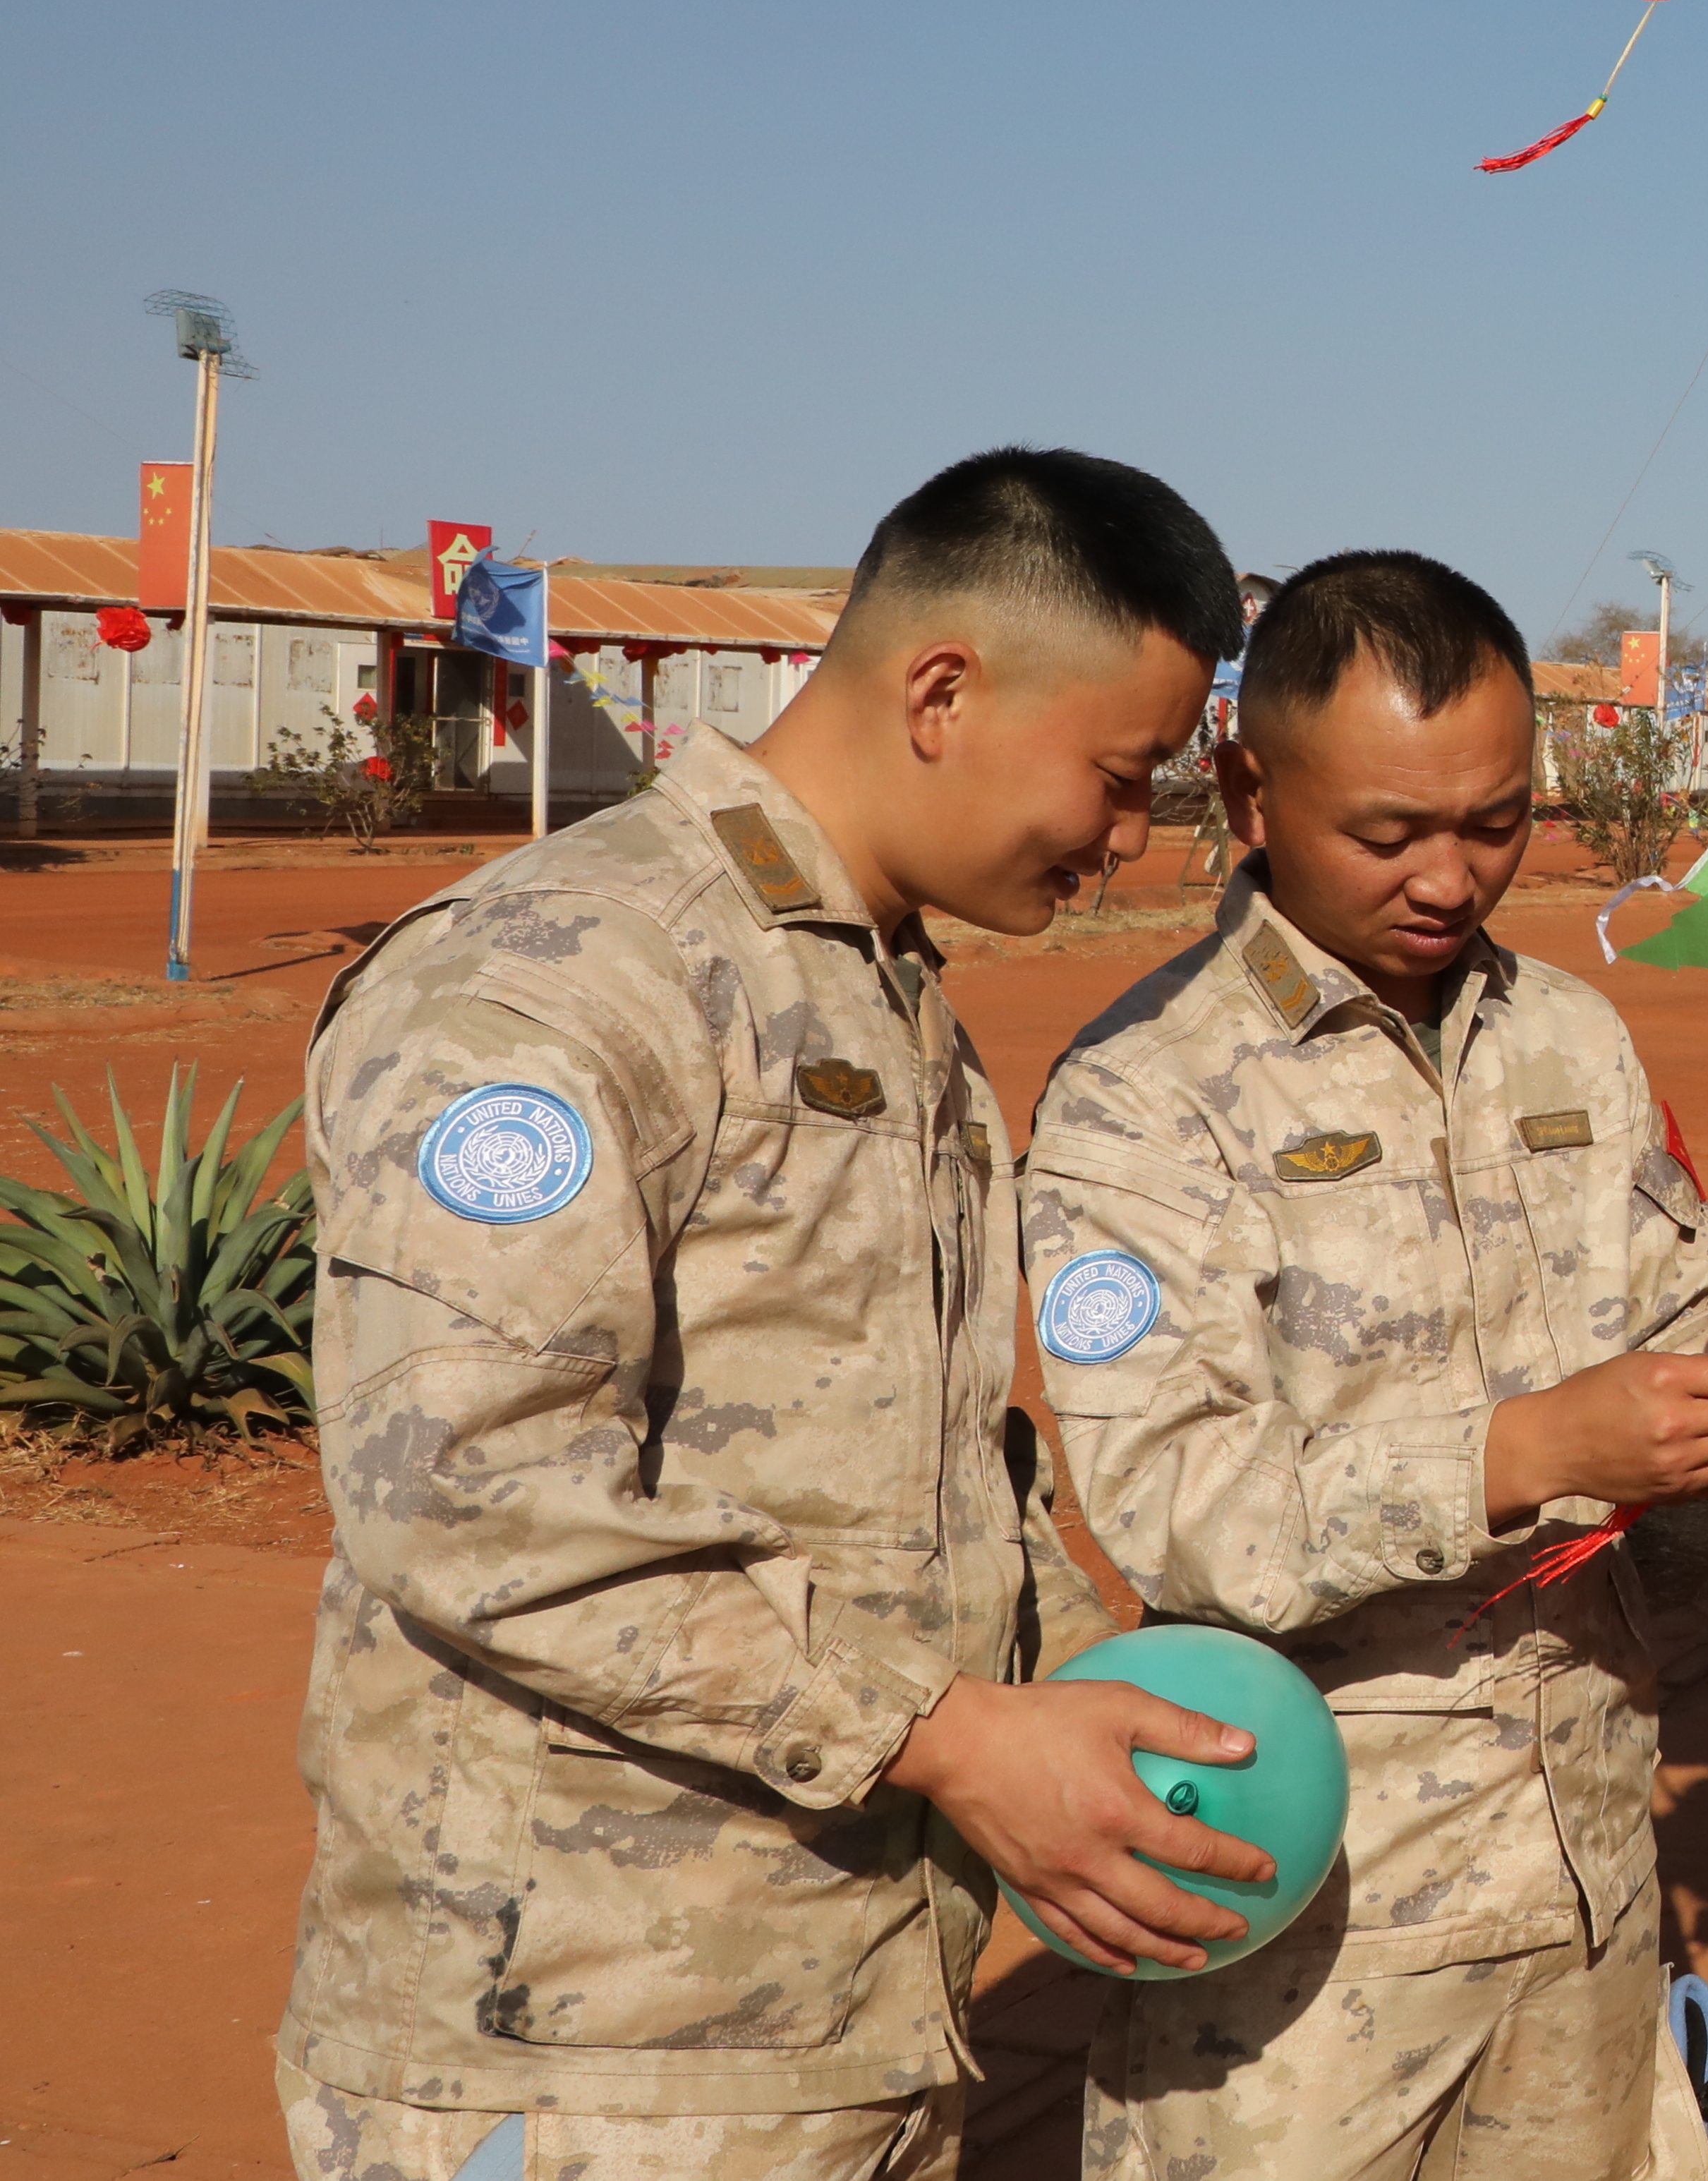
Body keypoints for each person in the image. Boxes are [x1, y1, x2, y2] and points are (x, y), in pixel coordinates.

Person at [280, 449, 1272, 2180]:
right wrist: (955, 1735)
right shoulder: (570, 970)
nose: (1131, 844)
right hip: (590, 2061)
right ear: (944, 690)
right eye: (1119, 782)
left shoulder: (876, 994)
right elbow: (466, 1485)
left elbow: (926, 1458)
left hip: (828, 2024)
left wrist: (1078, 1682)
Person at [1020, 552, 1708, 2181]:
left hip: (1582, 1863)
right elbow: (1173, 1509)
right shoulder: (1143, 1099)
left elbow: (1684, 1319)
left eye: (1495, 824)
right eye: (1390, 833)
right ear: (1249, 786)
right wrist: (1526, 1448)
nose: (1451, 878)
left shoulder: (1567, 1037)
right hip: (1316, 1909)